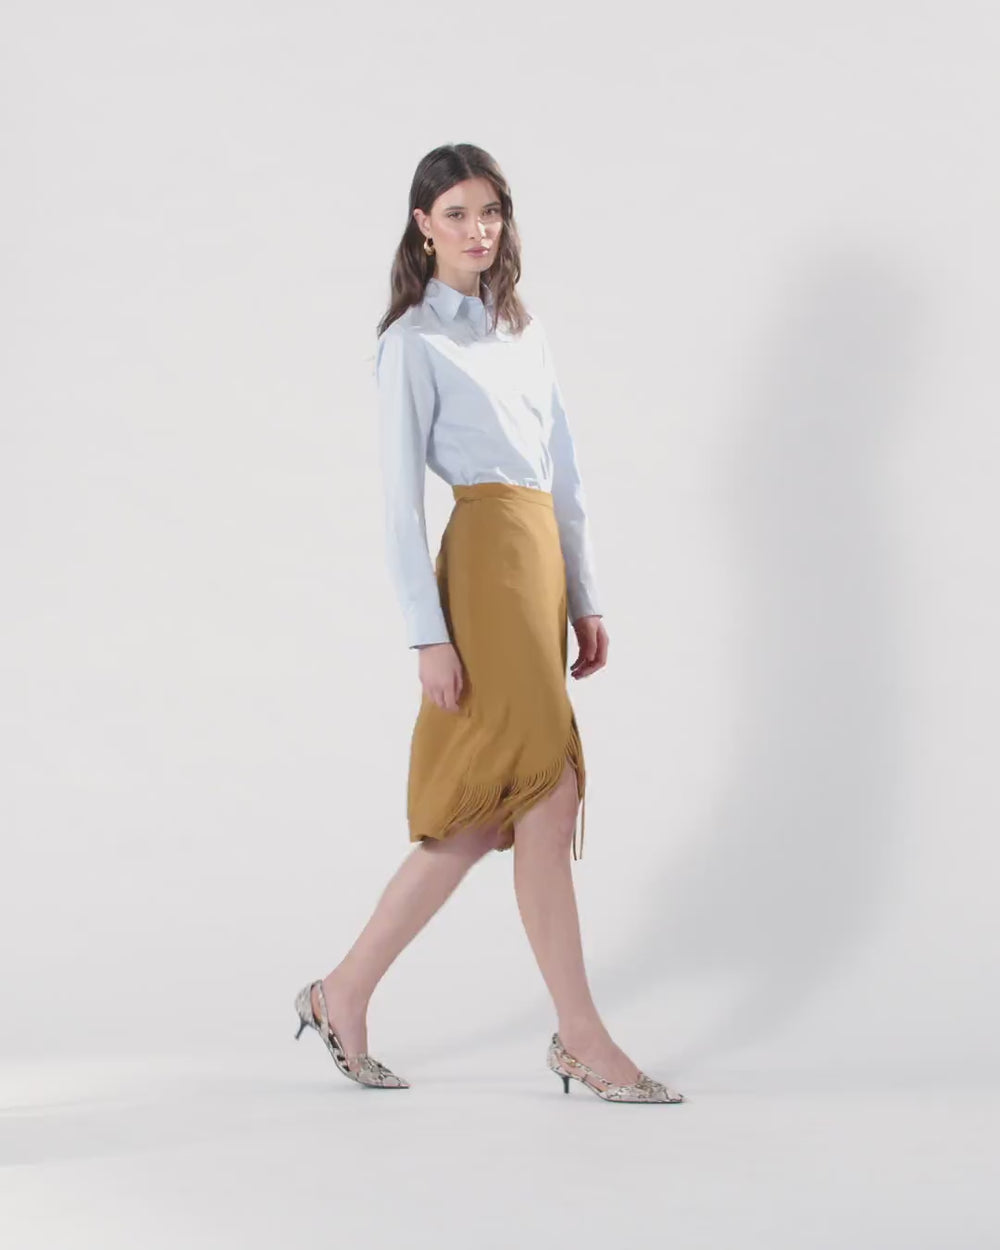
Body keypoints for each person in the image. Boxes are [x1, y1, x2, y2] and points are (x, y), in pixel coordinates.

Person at [293, 144, 684, 1104]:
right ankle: (581, 1037)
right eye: (458, 213)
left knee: (495, 814)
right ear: (423, 225)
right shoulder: (412, 341)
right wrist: (427, 634)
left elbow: (564, 473)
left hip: (539, 566)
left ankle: (343, 991)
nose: (479, 230)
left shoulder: (521, 328)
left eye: (492, 212)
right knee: (538, 795)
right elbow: (397, 504)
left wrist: (585, 596)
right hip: (482, 572)